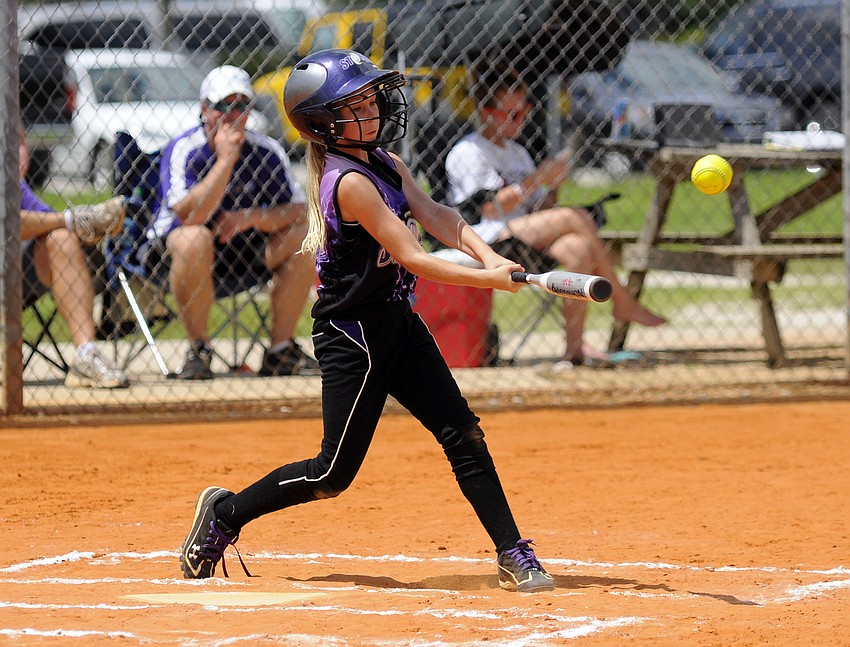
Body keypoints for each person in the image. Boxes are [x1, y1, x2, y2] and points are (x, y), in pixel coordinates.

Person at [178, 49, 555, 593]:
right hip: (352, 336)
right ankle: (225, 515)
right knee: (333, 474)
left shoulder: (387, 164)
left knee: (463, 432)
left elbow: (440, 218)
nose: (376, 109)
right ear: (323, 123)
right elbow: (413, 256)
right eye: (357, 103)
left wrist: (489, 255)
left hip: (396, 322)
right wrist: (489, 278)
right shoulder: (348, 179)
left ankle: (512, 552)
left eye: (371, 98)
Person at [445, 65, 666, 368]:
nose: (520, 120)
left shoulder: (517, 152)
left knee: (579, 247)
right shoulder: (468, 151)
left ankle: (573, 353)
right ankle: (622, 300)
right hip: (486, 238)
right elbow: (487, 208)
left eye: (524, 111)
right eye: (512, 115)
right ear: (486, 113)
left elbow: (538, 210)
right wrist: (536, 179)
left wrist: (552, 188)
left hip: (522, 233)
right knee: (573, 217)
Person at [153, 65, 317, 379]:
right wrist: (226, 160)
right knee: (194, 237)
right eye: (223, 105)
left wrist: (252, 217)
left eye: (241, 105)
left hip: (246, 250)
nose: (233, 113)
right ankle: (198, 350)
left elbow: (301, 211)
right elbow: (189, 216)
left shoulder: (266, 150)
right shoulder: (185, 149)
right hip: (181, 255)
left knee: (304, 237)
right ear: (204, 110)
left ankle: (280, 351)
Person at [18, 121, 130, 389]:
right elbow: (7, 222)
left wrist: (74, 225)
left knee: (60, 239)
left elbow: (42, 223)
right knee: (63, 227)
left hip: (14, 281)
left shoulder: (14, 186)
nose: (16, 152)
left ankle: (85, 355)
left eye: (20, 142)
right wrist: (73, 218)